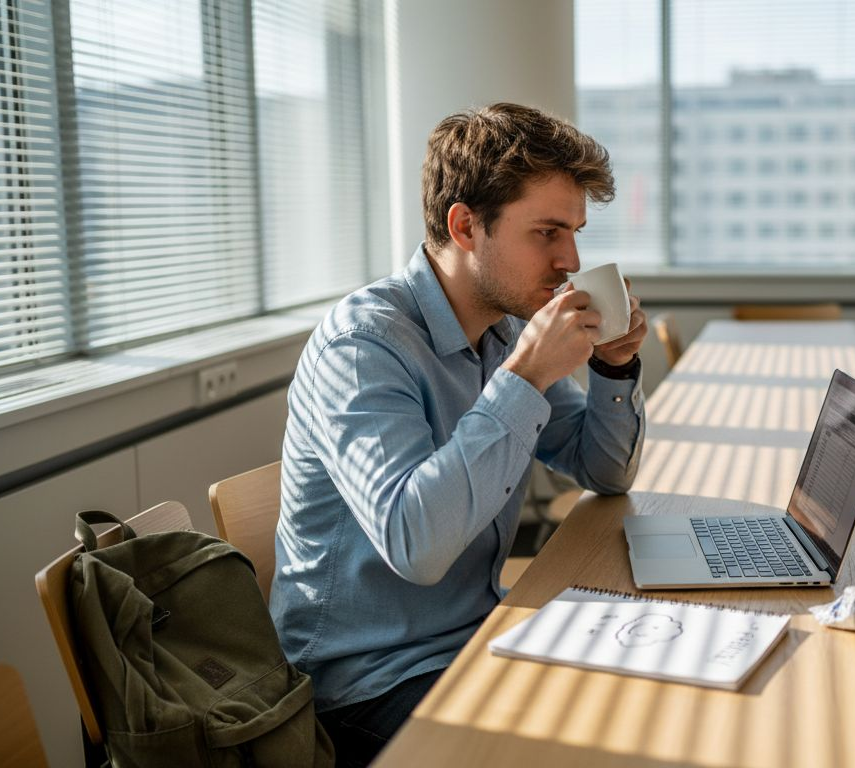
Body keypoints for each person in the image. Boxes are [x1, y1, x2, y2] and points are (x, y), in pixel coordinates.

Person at [271, 102, 647, 766]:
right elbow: (416, 546)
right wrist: (525, 377)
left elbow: (605, 472)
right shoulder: (364, 346)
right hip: (365, 686)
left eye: (577, 233)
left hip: (473, 636)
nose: (570, 260)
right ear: (465, 225)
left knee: (644, 704)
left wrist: (615, 370)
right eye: (547, 233)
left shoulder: (500, 330)